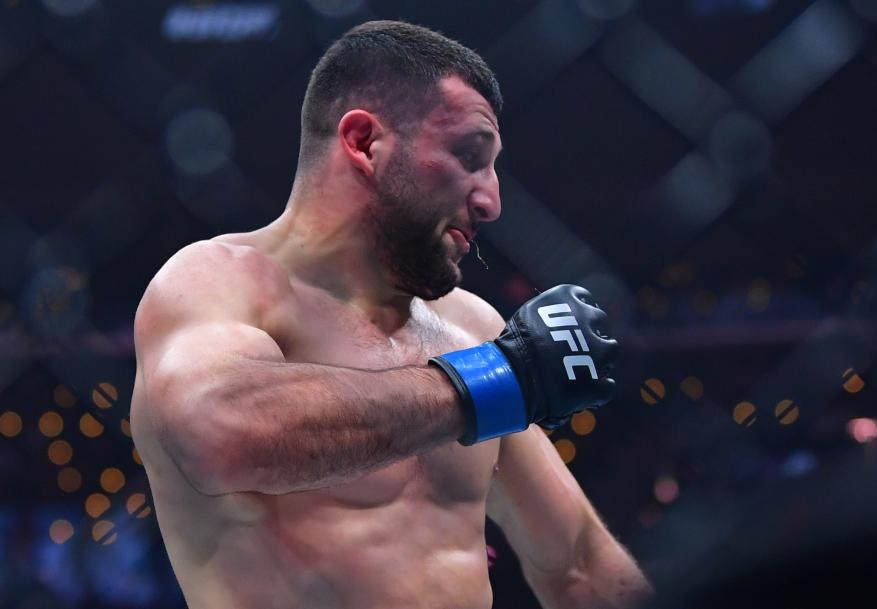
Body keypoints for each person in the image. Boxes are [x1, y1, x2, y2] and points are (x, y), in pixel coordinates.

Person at [131, 20, 651, 609]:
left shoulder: (472, 328)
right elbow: (219, 436)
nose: (491, 200)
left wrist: (497, 375)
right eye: (468, 156)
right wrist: (487, 386)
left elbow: (579, 562)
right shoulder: (218, 282)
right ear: (364, 141)